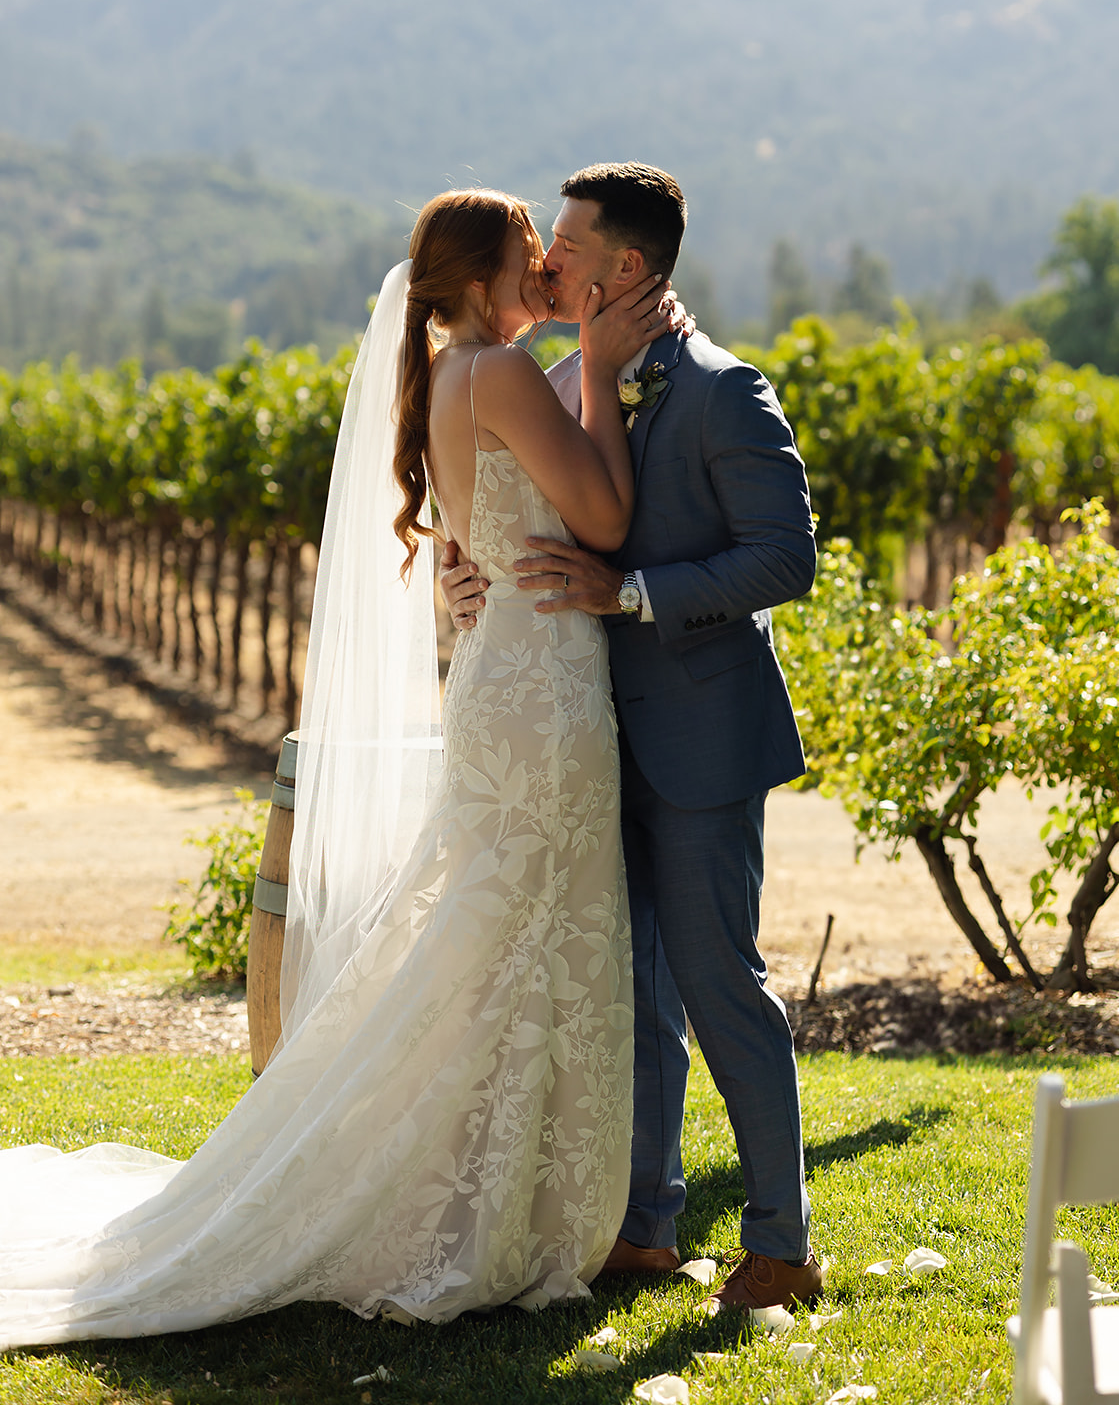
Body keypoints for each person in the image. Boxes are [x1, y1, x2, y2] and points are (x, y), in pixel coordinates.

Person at [0, 188, 669, 1349]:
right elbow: (605, 521)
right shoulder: (507, 375)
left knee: (495, 937)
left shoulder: (450, 377)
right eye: (529, 254)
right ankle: (482, 1206)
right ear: (480, 279)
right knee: (518, 935)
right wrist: (604, 374)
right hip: (544, 689)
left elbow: (480, 540)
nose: (545, 273)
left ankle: (484, 1194)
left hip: (504, 674)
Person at [441, 163, 822, 1312]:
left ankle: (782, 1242)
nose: (547, 262)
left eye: (566, 247)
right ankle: (643, 1226)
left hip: (702, 738)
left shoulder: (722, 390)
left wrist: (634, 593)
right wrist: (466, 574)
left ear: (629, 268)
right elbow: (503, 507)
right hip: (585, 733)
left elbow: (784, 556)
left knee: (720, 985)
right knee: (634, 986)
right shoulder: (558, 379)